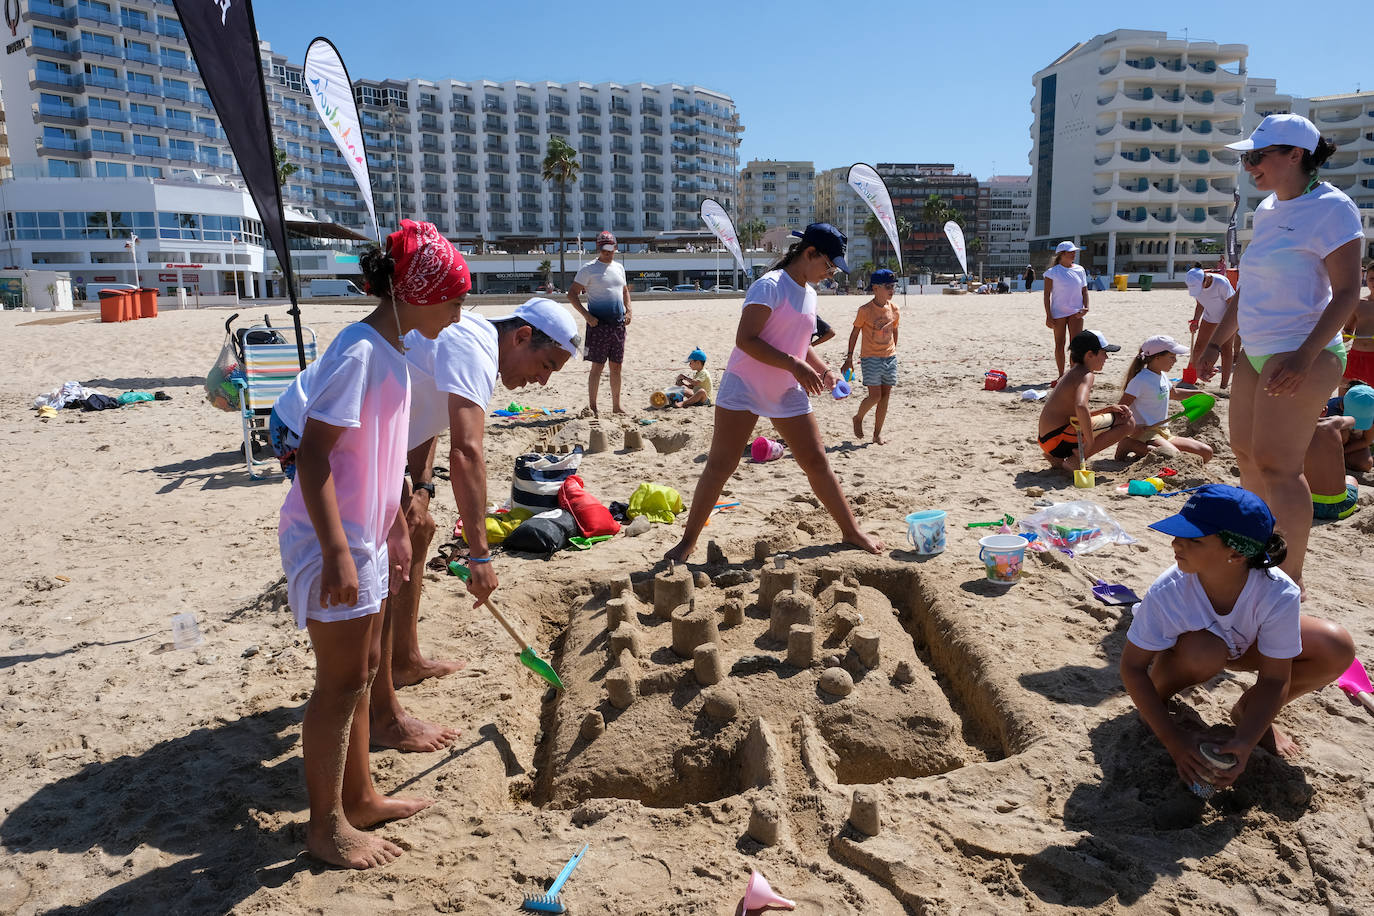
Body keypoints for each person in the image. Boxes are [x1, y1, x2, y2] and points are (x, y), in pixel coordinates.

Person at [275, 219, 468, 869]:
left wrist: (392, 529)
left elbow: (381, 461)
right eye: (454, 299)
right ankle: (326, 824)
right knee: (338, 685)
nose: (459, 314)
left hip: (364, 534)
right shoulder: (359, 351)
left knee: (360, 676)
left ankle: (358, 797)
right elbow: (313, 456)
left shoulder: (394, 355)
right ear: (415, 293)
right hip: (329, 539)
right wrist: (335, 550)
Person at [371, 298, 580, 752]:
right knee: (388, 557)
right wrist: (480, 554)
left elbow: (424, 409)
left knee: (420, 529)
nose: (541, 381)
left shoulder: (470, 339)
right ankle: (382, 715)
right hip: (348, 445)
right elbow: (466, 452)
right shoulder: (475, 347)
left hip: (382, 444)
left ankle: (405, 660)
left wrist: (422, 488)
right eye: (545, 365)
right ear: (521, 335)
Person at [1194, 114, 1365, 588]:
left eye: (1257, 156)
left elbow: (1349, 292)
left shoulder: (1333, 208)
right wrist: (1214, 343)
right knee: (1246, 455)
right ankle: (1256, 553)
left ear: (1296, 155)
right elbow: (1248, 289)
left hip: (1303, 351)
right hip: (1256, 349)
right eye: (1247, 158)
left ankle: (1288, 579)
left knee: (1279, 466)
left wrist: (1304, 357)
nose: (1249, 167)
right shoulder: (1267, 209)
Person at [664, 223, 884, 562]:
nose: (830, 273)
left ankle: (851, 531)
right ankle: (688, 542)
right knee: (721, 466)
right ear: (810, 253)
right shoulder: (770, 286)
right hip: (745, 385)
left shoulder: (809, 293)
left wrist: (824, 372)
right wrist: (795, 365)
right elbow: (746, 340)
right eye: (828, 265)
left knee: (816, 461)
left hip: (785, 389)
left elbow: (798, 343)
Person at [1119, 485, 1354, 793]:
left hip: (1246, 645)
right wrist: (1174, 740)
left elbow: (1274, 678)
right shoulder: (1171, 590)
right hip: (1193, 652)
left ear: (1236, 552)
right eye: (1178, 533)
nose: (1176, 543)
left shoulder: (1277, 592)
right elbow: (1132, 668)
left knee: (1336, 646)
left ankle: (1249, 711)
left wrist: (1245, 741)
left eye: (1194, 539)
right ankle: (1156, 709)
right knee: (1204, 651)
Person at [1037, 329, 1136, 469]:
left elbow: (1073, 413)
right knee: (1128, 422)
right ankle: (1075, 459)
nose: (1106, 357)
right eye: (1104, 353)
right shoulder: (1086, 375)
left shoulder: (1071, 373)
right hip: (1058, 439)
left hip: (1047, 440)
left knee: (1111, 416)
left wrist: (1107, 409)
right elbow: (1080, 406)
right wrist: (1089, 443)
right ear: (1090, 354)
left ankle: (1057, 458)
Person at [1115, 334, 1214, 463]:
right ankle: (1129, 444)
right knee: (1173, 458)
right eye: (1172, 357)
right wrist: (1133, 429)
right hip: (1144, 432)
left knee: (1206, 452)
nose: (1175, 361)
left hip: (1163, 431)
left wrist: (1199, 392)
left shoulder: (1162, 375)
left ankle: (1145, 450)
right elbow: (1120, 409)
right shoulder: (1141, 380)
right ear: (1157, 357)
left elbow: (1175, 393)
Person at [568, 230, 631, 416]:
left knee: (616, 366)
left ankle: (616, 406)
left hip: (618, 325)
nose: (607, 252)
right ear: (598, 247)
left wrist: (629, 310)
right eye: (604, 248)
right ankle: (593, 406)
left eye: (611, 248)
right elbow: (571, 294)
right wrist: (587, 316)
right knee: (597, 366)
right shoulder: (588, 269)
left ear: (615, 247)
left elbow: (625, 291)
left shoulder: (619, 268)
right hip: (598, 325)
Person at [841, 268, 901, 444]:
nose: (892, 290)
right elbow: (854, 334)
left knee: (885, 397)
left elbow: (894, 331)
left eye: (893, 286)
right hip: (870, 358)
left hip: (889, 358)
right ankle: (858, 418)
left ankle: (877, 434)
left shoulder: (895, 309)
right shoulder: (865, 310)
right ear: (875, 288)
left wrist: (892, 351)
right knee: (875, 396)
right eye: (888, 286)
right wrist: (849, 358)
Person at [1184, 265, 1238, 388]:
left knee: (1226, 350)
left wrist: (1227, 326)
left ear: (1206, 279)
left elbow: (1232, 305)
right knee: (1198, 347)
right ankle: (1189, 380)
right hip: (1209, 317)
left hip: (1226, 319)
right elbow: (1200, 304)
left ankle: (1223, 386)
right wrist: (1196, 320)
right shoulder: (1197, 287)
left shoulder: (1221, 283)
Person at [1043, 241, 1090, 380]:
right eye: (1071, 252)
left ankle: (1073, 374)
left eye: (1074, 251)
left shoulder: (1080, 270)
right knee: (1060, 343)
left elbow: (1084, 291)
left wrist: (1085, 308)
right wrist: (1048, 316)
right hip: (1058, 313)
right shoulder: (1052, 272)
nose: (1074, 253)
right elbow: (1046, 295)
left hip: (1076, 312)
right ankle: (1061, 375)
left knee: (1076, 345)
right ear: (1062, 254)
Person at [1305, 415, 1360, 521]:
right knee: (1350, 478)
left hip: (1307, 505)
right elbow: (1353, 419)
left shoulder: (1297, 429)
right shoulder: (1333, 423)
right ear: (1324, 410)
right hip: (1340, 508)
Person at [1343, 263, 1374, 385]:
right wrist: (1343, 336)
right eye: (1372, 279)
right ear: (1366, 279)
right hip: (1355, 356)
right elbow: (1348, 330)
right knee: (1345, 392)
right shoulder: (1359, 304)